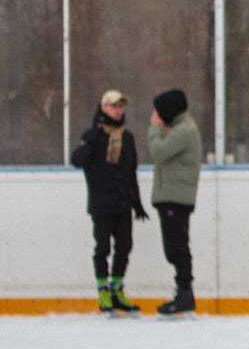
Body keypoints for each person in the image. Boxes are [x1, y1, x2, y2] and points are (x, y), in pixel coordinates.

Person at [70, 89, 150, 315]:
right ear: (103, 107)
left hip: (122, 202)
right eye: (114, 106)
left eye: (121, 106)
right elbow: (77, 160)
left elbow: (130, 171)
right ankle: (103, 291)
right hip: (101, 203)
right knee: (103, 247)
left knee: (124, 245)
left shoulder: (126, 137)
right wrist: (90, 141)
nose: (118, 110)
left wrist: (137, 202)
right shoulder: (93, 136)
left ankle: (117, 290)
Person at [148, 88, 202, 317]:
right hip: (173, 197)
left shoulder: (184, 131)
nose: (156, 115)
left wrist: (154, 128)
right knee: (175, 248)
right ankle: (183, 293)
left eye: (159, 112)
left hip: (175, 198)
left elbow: (158, 151)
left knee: (177, 248)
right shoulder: (182, 129)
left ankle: (185, 295)